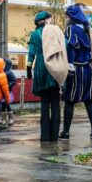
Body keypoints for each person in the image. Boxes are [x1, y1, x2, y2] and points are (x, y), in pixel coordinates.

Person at [59, 4, 92, 140]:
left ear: (71, 16)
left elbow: (71, 46)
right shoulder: (87, 28)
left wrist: (69, 65)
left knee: (70, 100)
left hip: (76, 69)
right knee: (89, 100)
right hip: (88, 68)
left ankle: (65, 132)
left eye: (68, 16)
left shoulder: (71, 29)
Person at [27, 11, 61, 142]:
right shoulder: (54, 32)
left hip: (41, 68)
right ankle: (55, 135)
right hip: (55, 65)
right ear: (46, 20)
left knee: (45, 104)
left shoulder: (35, 34)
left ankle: (45, 136)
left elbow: (31, 53)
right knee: (56, 103)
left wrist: (29, 68)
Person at [3, 58, 17, 126]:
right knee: (2, 105)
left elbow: (14, 80)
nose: (3, 65)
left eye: (4, 63)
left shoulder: (9, 72)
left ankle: (11, 118)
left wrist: (8, 86)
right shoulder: (2, 71)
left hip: (8, 91)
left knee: (7, 105)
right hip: (2, 92)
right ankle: (3, 119)